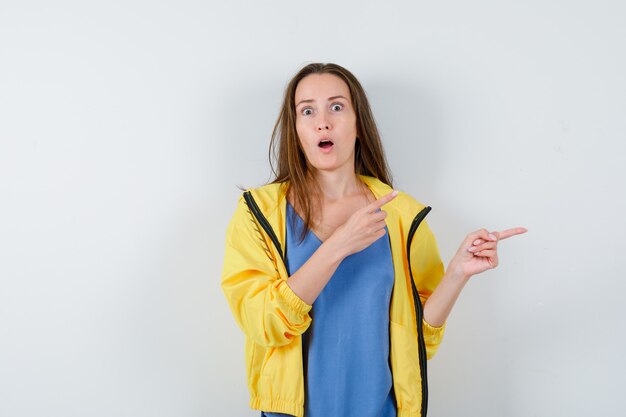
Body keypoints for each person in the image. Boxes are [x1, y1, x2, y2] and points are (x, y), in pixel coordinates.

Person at [220, 62, 527, 417]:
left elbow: (419, 341)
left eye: (337, 106)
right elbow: (262, 323)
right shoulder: (257, 213)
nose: (323, 121)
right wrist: (338, 245)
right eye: (308, 110)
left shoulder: (403, 216)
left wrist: (458, 272)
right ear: (297, 130)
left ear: (358, 125)